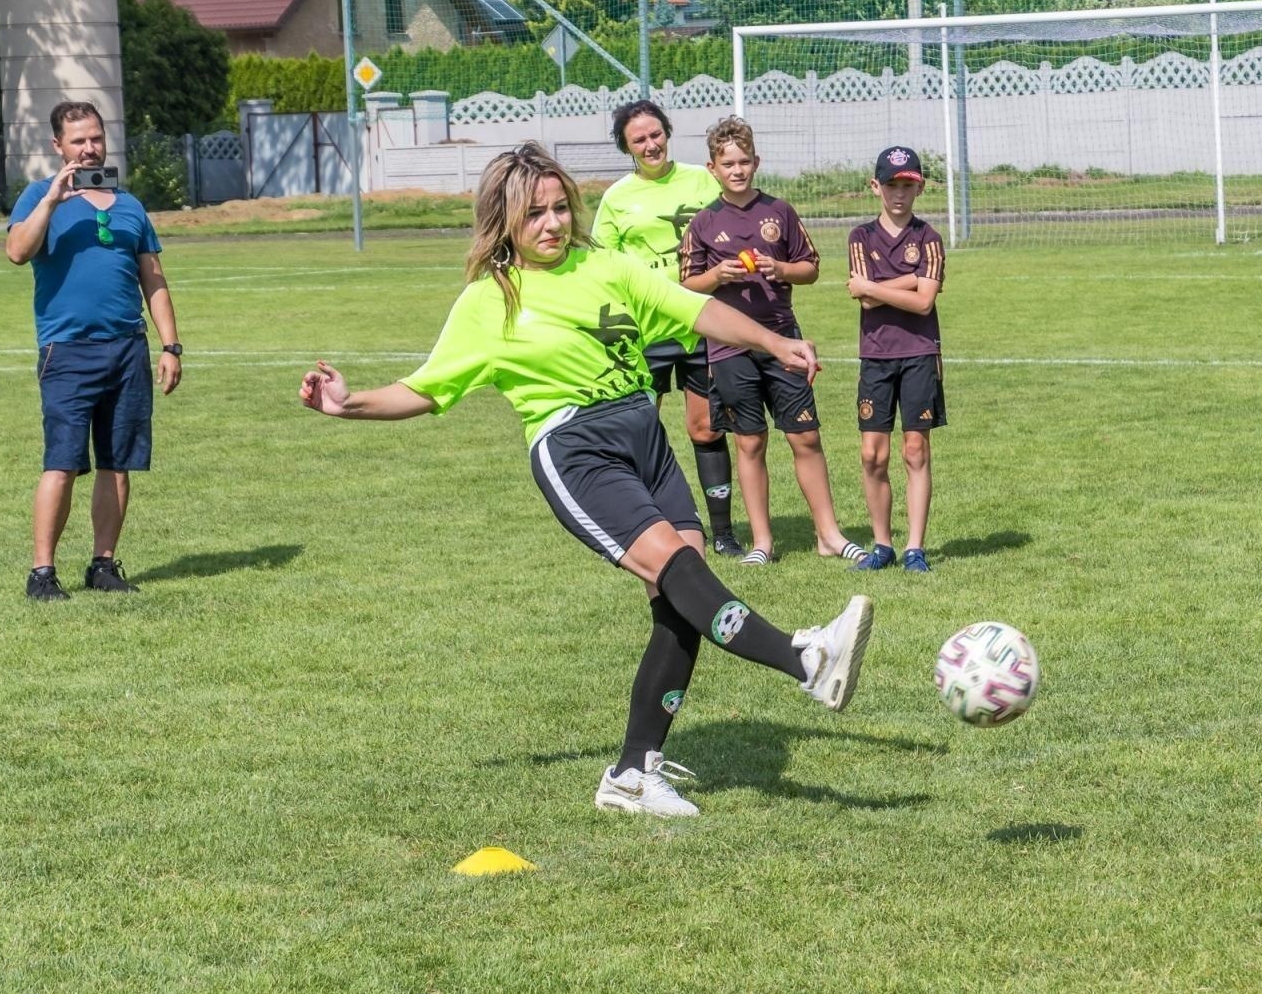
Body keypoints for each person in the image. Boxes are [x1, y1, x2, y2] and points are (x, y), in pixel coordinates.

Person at [299, 142, 874, 819]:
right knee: (681, 573)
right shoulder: (490, 302)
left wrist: (775, 342)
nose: (551, 224)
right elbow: (425, 389)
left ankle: (633, 773)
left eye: (558, 209)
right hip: (575, 448)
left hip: (643, 435)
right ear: (504, 222)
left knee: (679, 598)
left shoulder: (604, 265)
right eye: (533, 214)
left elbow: (693, 311)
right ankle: (804, 661)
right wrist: (348, 402)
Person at [6, 101, 183, 600]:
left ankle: (103, 564)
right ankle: (42, 574)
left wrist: (170, 345)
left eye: (96, 138)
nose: (89, 148)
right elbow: (18, 252)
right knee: (61, 462)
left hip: (127, 350)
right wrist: (53, 201)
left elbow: (155, 279)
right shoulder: (38, 196)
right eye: (78, 140)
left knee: (116, 462)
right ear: (57, 146)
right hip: (67, 352)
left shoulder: (130, 205)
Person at [679, 116, 867, 567]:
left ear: (756, 162)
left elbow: (811, 267)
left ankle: (829, 534)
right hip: (727, 349)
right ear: (712, 168)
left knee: (806, 436)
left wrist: (779, 269)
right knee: (750, 442)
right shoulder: (703, 224)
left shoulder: (779, 212)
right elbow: (685, 286)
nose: (737, 170)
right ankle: (762, 542)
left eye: (744, 161)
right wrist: (716, 275)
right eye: (728, 163)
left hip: (784, 341)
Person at [593, 99, 743, 558]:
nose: (650, 144)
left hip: (699, 325)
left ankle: (722, 533)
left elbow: (734, 227)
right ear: (626, 146)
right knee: (640, 430)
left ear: (668, 133)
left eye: (655, 134)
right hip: (644, 332)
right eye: (639, 139)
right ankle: (648, 530)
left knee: (705, 429)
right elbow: (601, 264)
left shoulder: (701, 180)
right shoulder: (616, 198)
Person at [845, 146, 947, 573]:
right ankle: (882, 545)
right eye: (891, 185)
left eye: (907, 185)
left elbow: (923, 305)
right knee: (873, 454)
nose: (899, 193)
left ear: (919, 187)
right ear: (875, 187)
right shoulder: (860, 237)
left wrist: (878, 286)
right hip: (877, 357)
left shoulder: (930, 239)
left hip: (920, 353)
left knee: (915, 450)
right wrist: (911, 281)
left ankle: (915, 548)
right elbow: (862, 301)